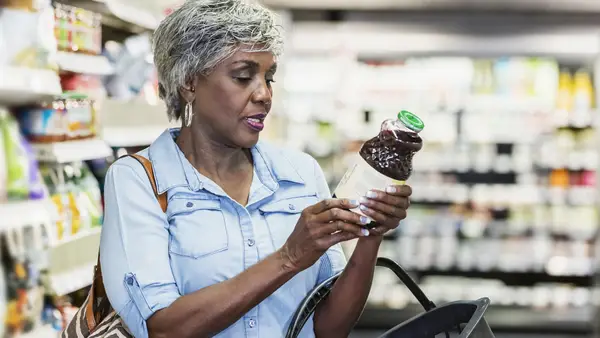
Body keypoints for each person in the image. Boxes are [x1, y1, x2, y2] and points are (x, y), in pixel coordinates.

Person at [99, 0, 412, 337]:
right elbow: (163, 329)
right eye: (243, 77)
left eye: (269, 78)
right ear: (189, 82)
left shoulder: (300, 174)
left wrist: (370, 235)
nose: (264, 94)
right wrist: (289, 257)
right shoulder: (139, 181)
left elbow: (327, 329)